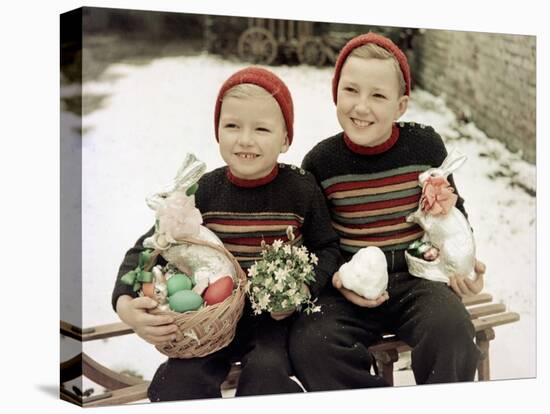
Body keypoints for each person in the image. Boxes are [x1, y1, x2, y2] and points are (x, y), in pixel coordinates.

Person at [111, 67, 340, 401]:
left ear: (286, 139)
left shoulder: (301, 189)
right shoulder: (204, 191)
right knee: (175, 382)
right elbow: (149, 248)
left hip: (273, 320)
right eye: (232, 125)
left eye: (261, 128)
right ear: (217, 131)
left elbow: (328, 247)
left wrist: (302, 287)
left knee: (267, 374)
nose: (245, 139)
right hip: (207, 321)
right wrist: (125, 303)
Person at [288, 32, 486, 391]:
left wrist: (463, 265)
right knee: (312, 343)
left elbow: (454, 211)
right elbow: (318, 241)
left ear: (401, 105)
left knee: (451, 330)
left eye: (378, 95)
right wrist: (337, 281)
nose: (361, 107)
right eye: (351, 90)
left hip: (418, 280)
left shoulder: (424, 146)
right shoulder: (321, 162)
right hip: (351, 285)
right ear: (336, 93)